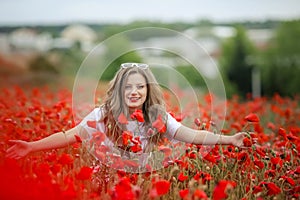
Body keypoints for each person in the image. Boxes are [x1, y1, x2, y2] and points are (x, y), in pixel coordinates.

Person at [6, 63, 247, 170]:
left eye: (140, 87)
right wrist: (30, 146)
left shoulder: (156, 117)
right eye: (128, 87)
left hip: (140, 183)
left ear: (148, 90)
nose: (134, 92)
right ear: (119, 90)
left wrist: (229, 140)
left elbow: (191, 135)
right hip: (107, 183)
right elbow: (69, 136)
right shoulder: (102, 115)